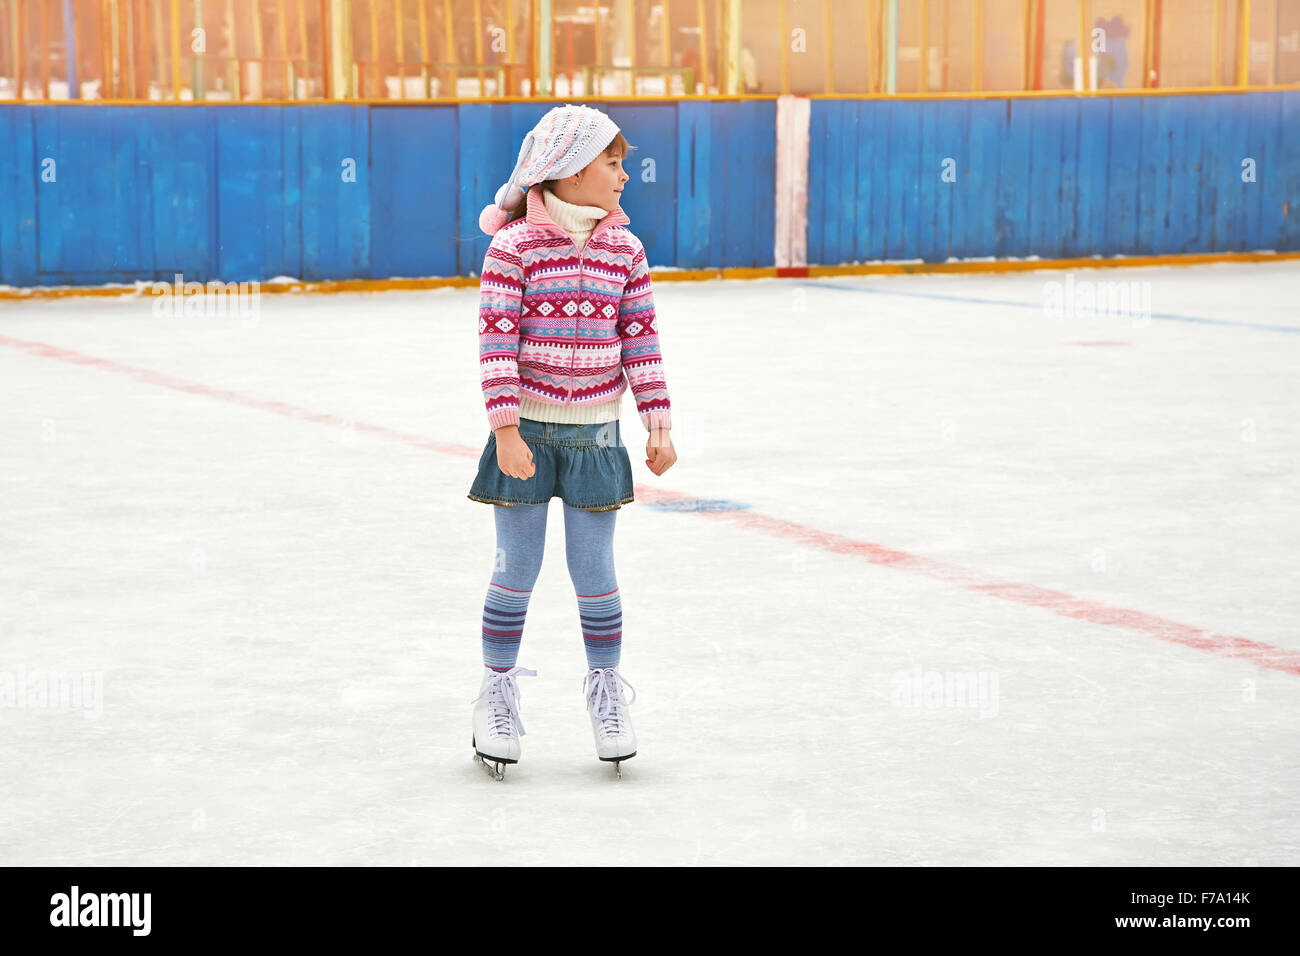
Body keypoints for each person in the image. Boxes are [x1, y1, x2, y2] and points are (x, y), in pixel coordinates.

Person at [468, 104, 678, 779]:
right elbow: (496, 340)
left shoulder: (627, 250)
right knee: (516, 566)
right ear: (570, 168)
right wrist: (504, 427)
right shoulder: (514, 247)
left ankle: (608, 690)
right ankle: (496, 690)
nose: (624, 175)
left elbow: (641, 339)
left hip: (595, 437)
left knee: (595, 572)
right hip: (524, 434)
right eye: (613, 163)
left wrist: (659, 420)